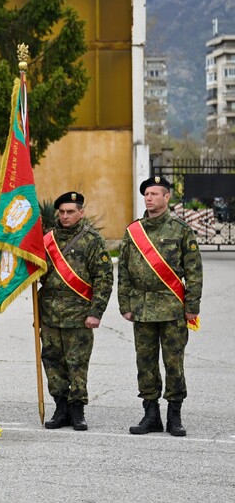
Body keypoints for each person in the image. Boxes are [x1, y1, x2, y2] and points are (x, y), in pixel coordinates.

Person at [118, 176, 202, 437]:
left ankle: (174, 416)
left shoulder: (181, 230)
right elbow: (124, 271)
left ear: (167, 197)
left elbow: (194, 272)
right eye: (147, 194)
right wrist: (125, 305)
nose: (149, 198)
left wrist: (192, 306)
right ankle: (150, 414)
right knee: (145, 363)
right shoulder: (134, 231)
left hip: (172, 308)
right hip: (142, 308)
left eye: (155, 194)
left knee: (174, 363)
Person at [39, 192, 114, 431]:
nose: (65, 216)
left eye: (70, 212)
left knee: (77, 363)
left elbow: (104, 278)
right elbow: (38, 272)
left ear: (81, 212)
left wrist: (96, 312)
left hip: (79, 314)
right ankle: (60, 407)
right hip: (50, 313)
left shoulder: (92, 240)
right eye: (61, 212)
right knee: (52, 361)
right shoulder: (47, 239)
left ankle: (77, 408)